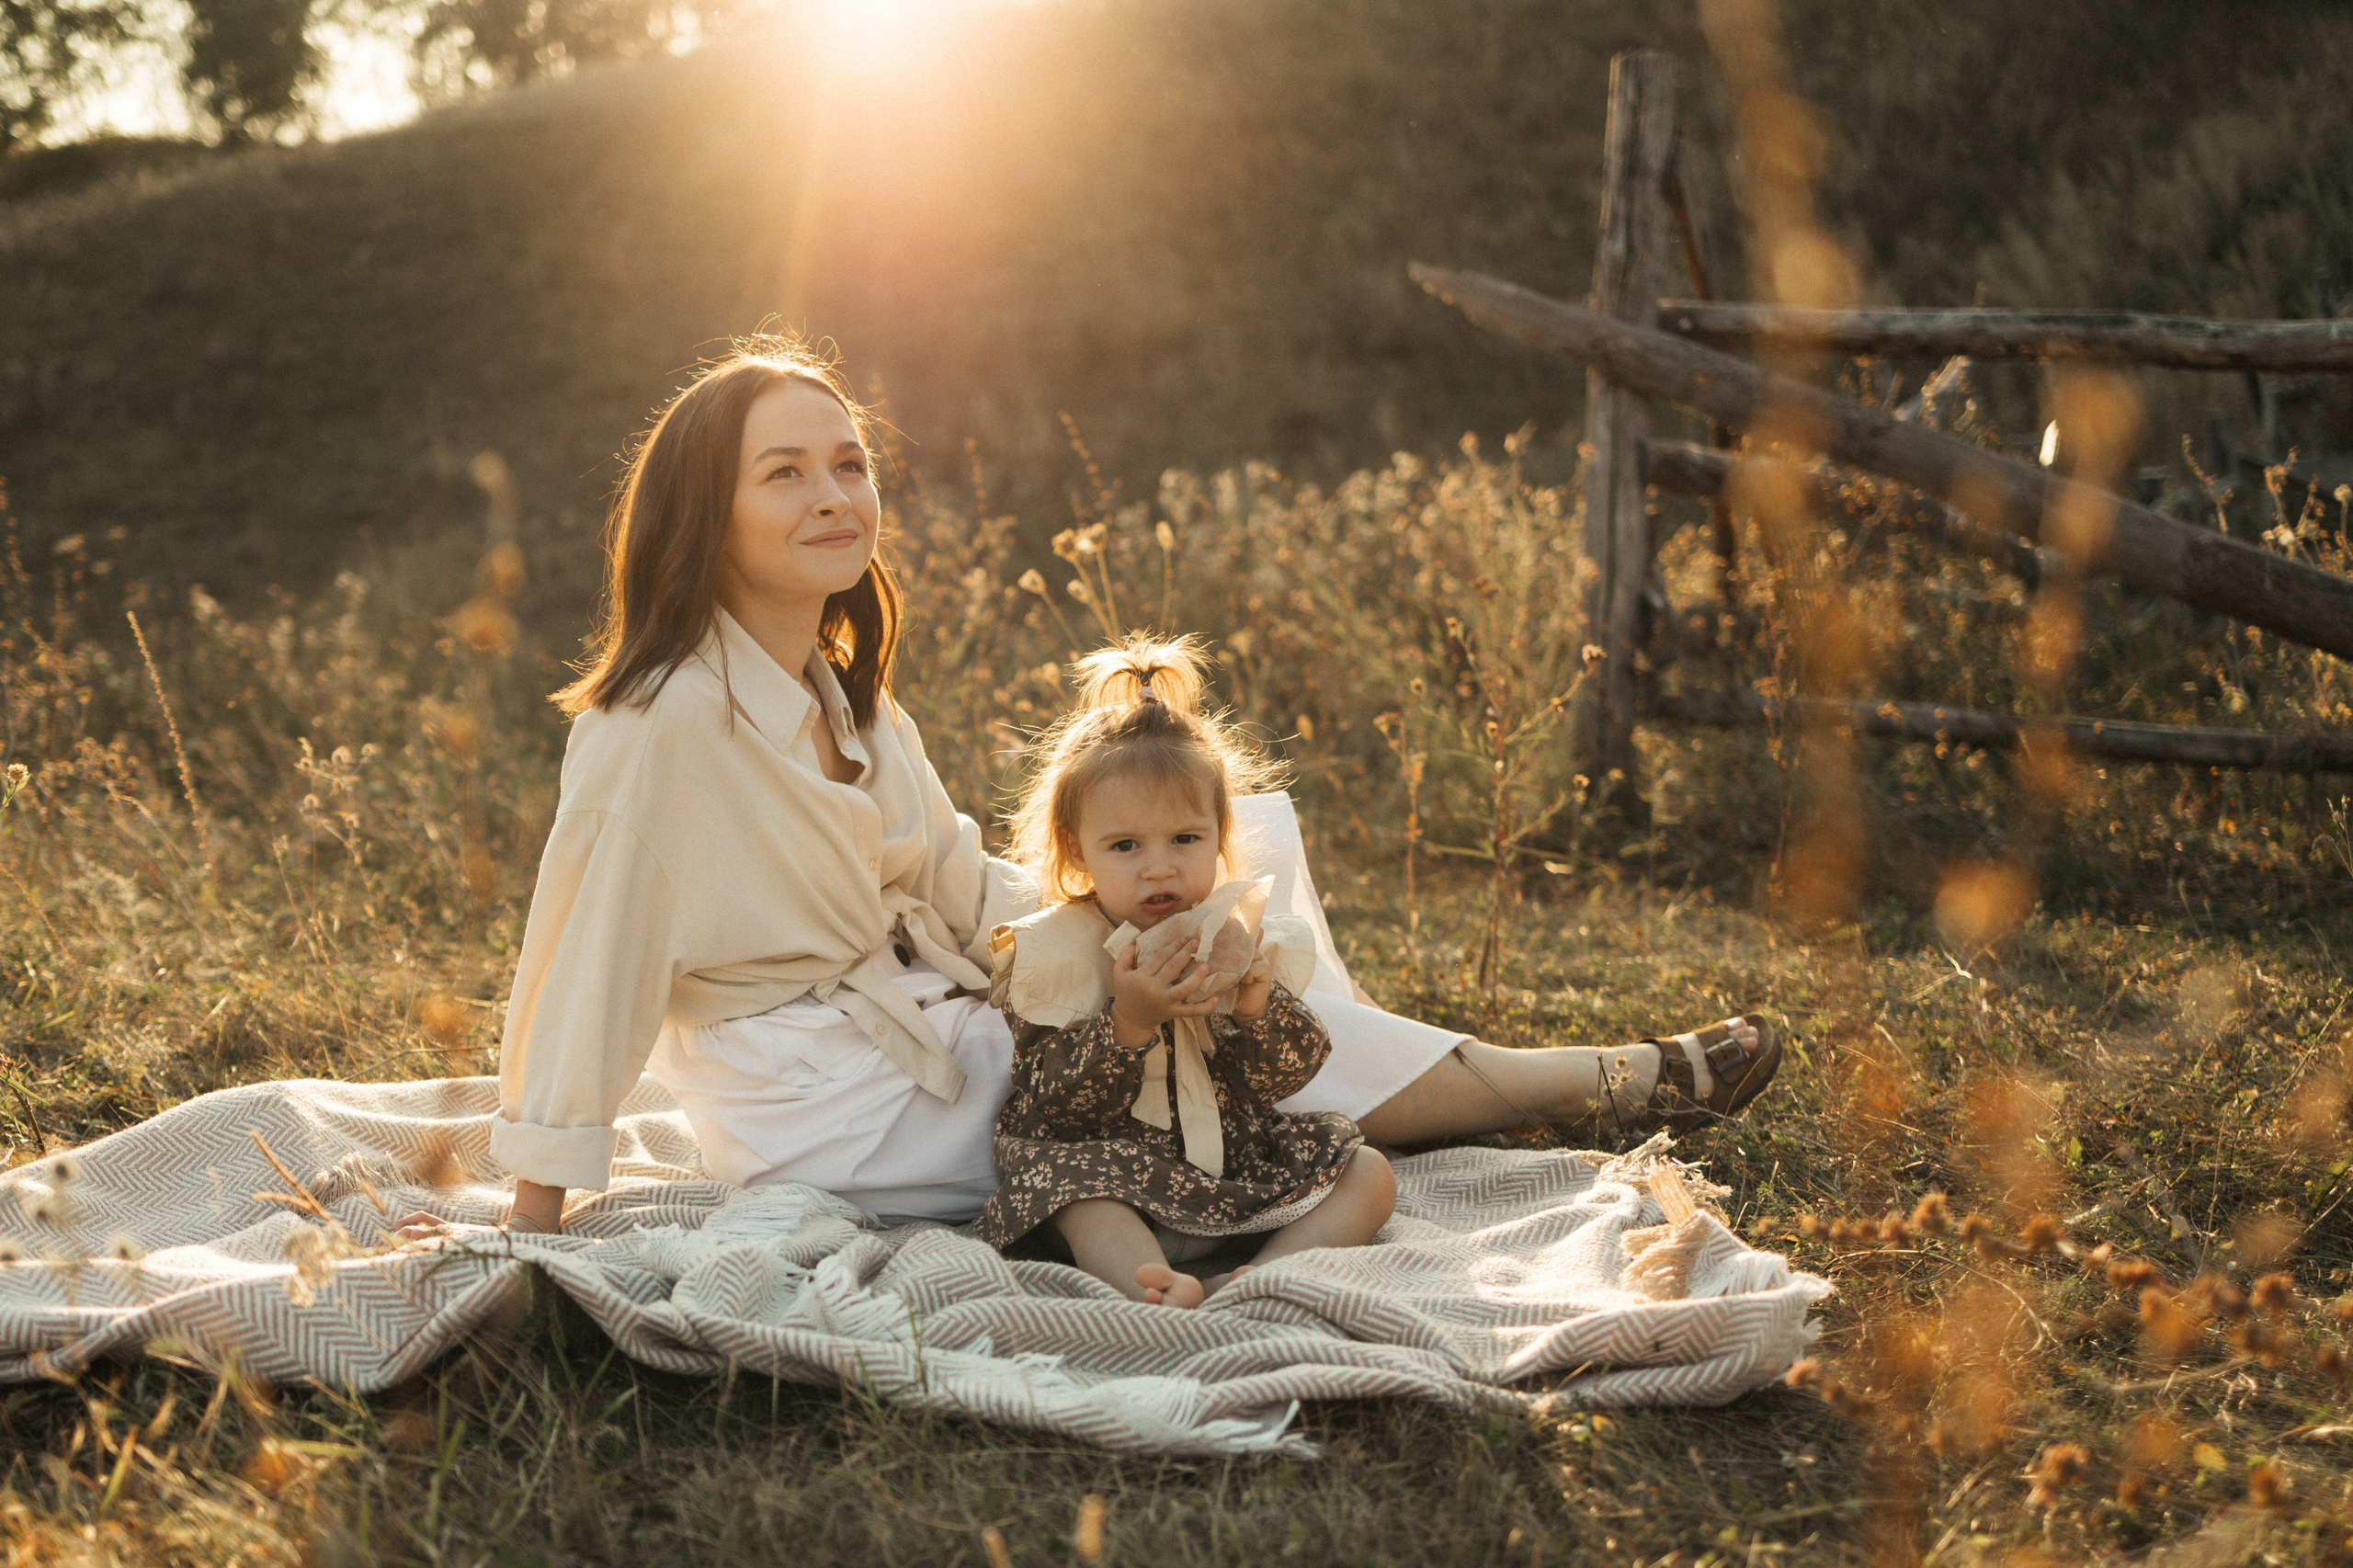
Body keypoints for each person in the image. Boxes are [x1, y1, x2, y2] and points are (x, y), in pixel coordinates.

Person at [441, 339, 1781, 1240]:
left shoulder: (840, 689)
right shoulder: (658, 722)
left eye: (848, 462)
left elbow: (961, 884)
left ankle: (1566, 1075)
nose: (834, 493)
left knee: (1227, 875)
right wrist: (536, 1225)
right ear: (704, 513)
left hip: (911, 1010)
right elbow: (587, 963)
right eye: (783, 472)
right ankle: (1604, 1078)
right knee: (1180, 1028)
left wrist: (1142, 918)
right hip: (822, 1096)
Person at [976, 638, 1394, 1308]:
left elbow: (1284, 1076)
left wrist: (1255, 1005)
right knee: (1076, 1190)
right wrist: (1129, 1023)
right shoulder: (1058, 952)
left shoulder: (1235, 935)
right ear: (1076, 853)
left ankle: (1259, 1279)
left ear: (1219, 834)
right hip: (1120, 1174)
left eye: (1185, 839)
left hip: (1229, 1169)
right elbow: (1048, 1104)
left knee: (1368, 1171)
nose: (1160, 867)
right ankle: (1152, 1285)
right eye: (1126, 846)